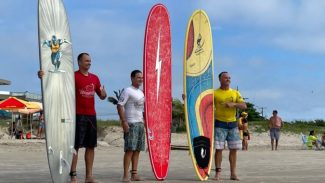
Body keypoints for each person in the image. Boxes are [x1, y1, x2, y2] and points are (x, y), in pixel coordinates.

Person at [38, 52, 107, 183]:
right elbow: (55, 82)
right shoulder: (72, 76)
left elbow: (102, 96)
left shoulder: (95, 78)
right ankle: (73, 175)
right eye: (86, 61)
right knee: (75, 147)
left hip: (91, 116)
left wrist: (103, 93)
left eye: (90, 61)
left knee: (91, 146)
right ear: (79, 62)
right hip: (77, 115)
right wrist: (42, 75)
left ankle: (89, 176)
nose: (89, 63)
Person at [214, 71, 247, 181]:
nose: (228, 79)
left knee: (233, 149)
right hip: (219, 124)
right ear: (220, 79)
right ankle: (218, 173)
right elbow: (204, 103)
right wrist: (185, 98)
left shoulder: (235, 93)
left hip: (232, 125)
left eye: (229, 78)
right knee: (219, 149)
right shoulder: (214, 93)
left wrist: (234, 104)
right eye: (225, 78)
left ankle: (233, 173)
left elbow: (244, 105)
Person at [117, 70, 145, 183]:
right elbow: (120, 105)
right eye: (138, 77)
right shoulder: (127, 90)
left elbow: (142, 110)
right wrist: (124, 122)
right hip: (131, 123)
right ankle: (125, 176)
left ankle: (134, 174)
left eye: (142, 78)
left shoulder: (141, 92)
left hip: (140, 123)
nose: (141, 79)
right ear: (132, 78)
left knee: (137, 150)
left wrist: (144, 122)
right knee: (129, 150)